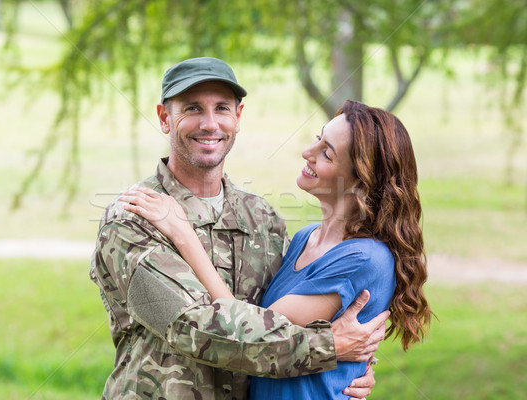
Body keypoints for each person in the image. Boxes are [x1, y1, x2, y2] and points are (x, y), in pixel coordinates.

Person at [90, 57, 388, 400]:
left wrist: (349, 370)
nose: (209, 123)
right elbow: (194, 328)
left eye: (221, 108)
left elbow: (290, 318)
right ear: (164, 119)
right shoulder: (132, 220)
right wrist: (330, 349)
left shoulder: (264, 220)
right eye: (192, 108)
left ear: (238, 117)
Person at [123, 100, 432, 399]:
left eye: (326, 153)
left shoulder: (363, 258)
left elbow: (251, 333)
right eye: (317, 140)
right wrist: (349, 359)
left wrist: (182, 232)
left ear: (359, 180)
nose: (307, 153)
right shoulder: (304, 238)